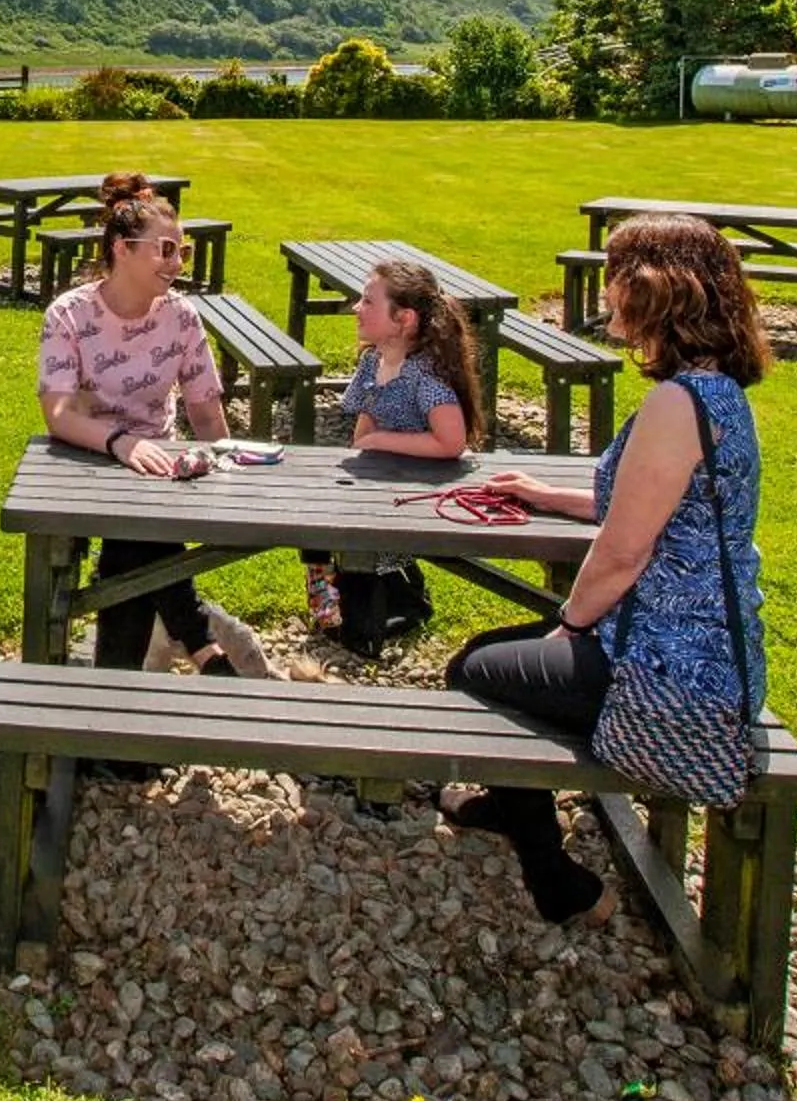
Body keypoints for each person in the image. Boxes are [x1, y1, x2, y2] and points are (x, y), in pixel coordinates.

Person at [441, 214, 772, 925]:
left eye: (616, 275)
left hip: (669, 671)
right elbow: (648, 504)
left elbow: (623, 553)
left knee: (474, 673)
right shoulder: (714, 394)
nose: (606, 291)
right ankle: (509, 804)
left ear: (655, 290)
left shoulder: (677, 405)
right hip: (703, 654)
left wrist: (570, 626)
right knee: (487, 655)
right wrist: (542, 495)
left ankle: (554, 878)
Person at [36, 173, 245, 678]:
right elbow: (59, 415)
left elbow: (204, 409)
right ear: (121, 248)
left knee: (130, 554)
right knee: (138, 538)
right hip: (85, 459)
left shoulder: (182, 317)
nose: (177, 264)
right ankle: (198, 641)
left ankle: (114, 704)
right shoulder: (70, 314)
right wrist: (119, 442)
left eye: (183, 252)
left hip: (158, 465)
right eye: (166, 250)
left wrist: (228, 465)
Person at [303, 261, 479, 648]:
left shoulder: (424, 374)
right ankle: (327, 607)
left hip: (416, 489)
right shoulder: (373, 360)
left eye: (368, 301)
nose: (356, 307)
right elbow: (366, 414)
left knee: (367, 558)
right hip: (380, 479)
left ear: (404, 319)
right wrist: (361, 449)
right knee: (316, 524)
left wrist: (381, 441)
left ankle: (383, 610)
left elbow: (451, 442)